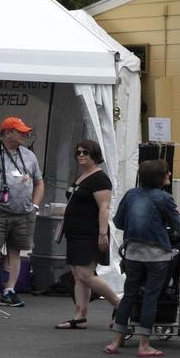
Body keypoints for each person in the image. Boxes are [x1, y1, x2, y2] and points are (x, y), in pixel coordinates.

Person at [104, 160, 180, 358]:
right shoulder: (164, 198)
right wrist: (177, 217)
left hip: (133, 252)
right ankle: (144, 344)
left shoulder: (131, 195)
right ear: (160, 176)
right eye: (167, 172)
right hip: (157, 255)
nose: (170, 173)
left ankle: (116, 341)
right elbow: (178, 226)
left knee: (129, 294)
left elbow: (119, 222)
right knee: (151, 296)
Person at [56, 139, 121, 329]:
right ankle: (80, 316)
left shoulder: (100, 178)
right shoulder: (81, 176)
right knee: (77, 274)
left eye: (86, 152)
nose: (81, 155)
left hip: (90, 233)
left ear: (95, 155)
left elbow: (104, 207)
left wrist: (102, 234)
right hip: (75, 233)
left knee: (85, 274)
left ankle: (120, 305)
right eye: (78, 152)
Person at [0, 116, 43, 308]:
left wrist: (34, 206)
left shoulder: (29, 155)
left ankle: (9, 290)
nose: (25, 134)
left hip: (23, 213)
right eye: (20, 131)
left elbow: (39, 182)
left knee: (15, 252)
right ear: (8, 133)